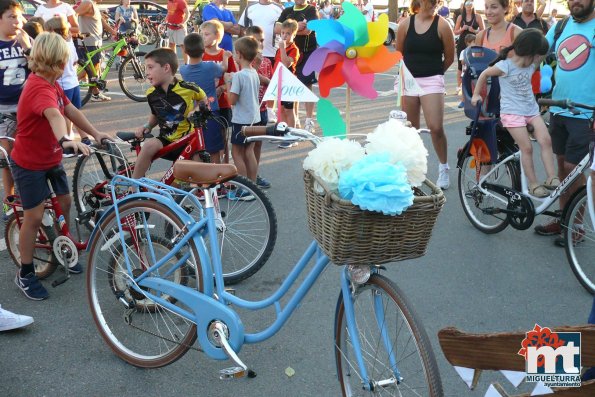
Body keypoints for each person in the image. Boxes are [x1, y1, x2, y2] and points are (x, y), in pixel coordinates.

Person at [12, 32, 111, 300]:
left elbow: (69, 110)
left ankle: (61, 248)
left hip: (51, 158)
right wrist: (65, 139)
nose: (67, 67)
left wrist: (96, 132)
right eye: (63, 62)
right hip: (30, 163)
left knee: (65, 203)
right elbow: (54, 115)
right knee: (32, 217)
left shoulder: (51, 82)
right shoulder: (38, 88)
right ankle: (26, 273)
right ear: (53, 62)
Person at [534, 0, 595, 245]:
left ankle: (576, 224)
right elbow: (539, 50)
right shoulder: (561, 26)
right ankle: (563, 218)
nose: (574, 1)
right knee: (560, 167)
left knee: (573, 168)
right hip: (558, 109)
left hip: (586, 113)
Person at [471, 28, 558, 198]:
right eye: (540, 55)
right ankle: (533, 185)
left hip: (531, 110)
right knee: (526, 148)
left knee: (546, 140)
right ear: (530, 53)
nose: (541, 59)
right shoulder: (506, 66)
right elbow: (484, 74)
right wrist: (476, 94)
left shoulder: (531, 65)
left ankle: (551, 177)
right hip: (512, 114)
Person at [395, 0, 455, 189]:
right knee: (411, 130)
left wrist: (435, 73)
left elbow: (450, 57)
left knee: (436, 127)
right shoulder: (405, 24)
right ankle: (413, 170)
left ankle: (444, 168)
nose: (433, 4)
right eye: (430, 1)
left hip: (432, 80)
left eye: (436, 2)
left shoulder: (443, 25)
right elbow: (398, 54)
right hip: (409, 81)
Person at [132, 48, 207, 180]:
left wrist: (195, 111)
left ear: (166, 68)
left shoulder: (188, 88)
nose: (146, 73)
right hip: (166, 140)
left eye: (150, 67)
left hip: (187, 141)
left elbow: (204, 99)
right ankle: (134, 187)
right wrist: (147, 126)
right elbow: (155, 114)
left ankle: (181, 193)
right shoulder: (151, 93)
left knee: (196, 165)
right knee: (149, 145)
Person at [0, 0, 31, 221]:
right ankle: (8, 200)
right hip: (3, 108)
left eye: (19, 16)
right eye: (11, 16)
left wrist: (27, 46)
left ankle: (23, 197)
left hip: (26, 108)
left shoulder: (26, 41)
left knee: (24, 155)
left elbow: (40, 67)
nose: (17, 21)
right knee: (6, 157)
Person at [180, 33, 229, 163]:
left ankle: (199, 179)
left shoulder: (183, 70)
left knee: (196, 148)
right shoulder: (210, 66)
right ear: (203, 50)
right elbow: (224, 69)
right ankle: (216, 177)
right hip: (211, 110)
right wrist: (225, 57)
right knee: (213, 150)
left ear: (184, 50)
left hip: (193, 113)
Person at [44, 16, 91, 147]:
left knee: (64, 115)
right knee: (75, 112)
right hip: (74, 82)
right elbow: (76, 60)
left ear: (53, 31)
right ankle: (85, 137)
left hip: (64, 84)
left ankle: (66, 139)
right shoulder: (70, 42)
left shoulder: (57, 46)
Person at [275, 0, 318, 133]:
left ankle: (309, 120)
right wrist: (296, 28)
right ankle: (295, 119)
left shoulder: (311, 10)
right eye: (285, 32)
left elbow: (307, 30)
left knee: (306, 85)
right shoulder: (287, 11)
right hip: (289, 52)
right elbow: (277, 29)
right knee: (293, 85)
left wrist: (289, 31)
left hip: (306, 52)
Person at [238, 0, 284, 122]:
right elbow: (242, 29)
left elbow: (284, 28)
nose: (260, 42)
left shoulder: (279, 8)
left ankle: (269, 109)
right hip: (250, 54)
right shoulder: (250, 8)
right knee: (255, 81)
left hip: (272, 52)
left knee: (271, 80)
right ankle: (253, 107)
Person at [226, 36, 261, 188]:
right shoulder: (254, 73)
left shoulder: (239, 76)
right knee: (249, 151)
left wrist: (228, 82)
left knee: (237, 152)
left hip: (241, 120)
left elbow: (232, 100)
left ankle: (244, 187)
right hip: (254, 117)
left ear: (239, 54)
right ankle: (253, 185)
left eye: (235, 53)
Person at [201, 19, 236, 164]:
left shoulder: (225, 55)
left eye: (206, 34)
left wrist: (222, 88)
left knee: (223, 137)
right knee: (207, 137)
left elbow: (234, 75)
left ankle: (226, 166)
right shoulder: (200, 55)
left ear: (217, 37)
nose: (203, 37)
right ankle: (209, 167)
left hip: (222, 103)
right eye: (201, 34)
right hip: (205, 103)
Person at [245, 25, 273, 188]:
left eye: (262, 40)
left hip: (262, 109)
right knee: (247, 146)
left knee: (258, 144)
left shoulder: (267, 61)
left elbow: (270, 85)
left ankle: (255, 174)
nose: (260, 43)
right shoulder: (242, 62)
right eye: (256, 40)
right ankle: (248, 178)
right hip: (249, 111)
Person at [77, 0, 112, 102]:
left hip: (95, 43)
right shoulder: (88, 3)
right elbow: (74, 13)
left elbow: (102, 22)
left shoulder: (94, 5)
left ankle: (95, 94)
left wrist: (113, 32)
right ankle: (70, 84)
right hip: (88, 43)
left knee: (93, 70)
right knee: (87, 69)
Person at [273, 19, 300, 137]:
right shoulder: (279, 49)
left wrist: (283, 49)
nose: (284, 36)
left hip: (289, 83)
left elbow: (286, 63)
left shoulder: (294, 49)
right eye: (282, 33)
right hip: (279, 82)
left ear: (294, 35)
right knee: (281, 109)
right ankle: (284, 131)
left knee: (289, 110)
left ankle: (292, 134)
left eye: (288, 34)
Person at [453, 0, 484, 96]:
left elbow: (483, 31)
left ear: (473, 5)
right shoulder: (460, 17)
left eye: (470, 3)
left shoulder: (478, 17)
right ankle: (459, 87)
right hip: (462, 43)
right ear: (464, 5)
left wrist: (473, 30)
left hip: (474, 44)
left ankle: (474, 87)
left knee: (474, 65)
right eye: (467, 3)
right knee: (460, 65)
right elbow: (455, 31)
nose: (468, 5)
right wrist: (462, 29)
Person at [165, 0, 189, 64]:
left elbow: (187, 13)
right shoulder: (169, 1)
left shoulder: (181, 2)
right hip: (170, 27)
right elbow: (169, 12)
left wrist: (183, 23)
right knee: (171, 45)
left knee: (183, 46)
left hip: (179, 28)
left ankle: (187, 64)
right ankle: (174, 63)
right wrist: (166, 20)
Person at [457, 33, 476, 108]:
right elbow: (462, 62)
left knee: (473, 87)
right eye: (474, 42)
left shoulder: (476, 51)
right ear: (468, 43)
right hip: (465, 73)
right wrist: (469, 57)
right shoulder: (464, 52)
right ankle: (463, 101)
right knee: (464, 88)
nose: (475, 44)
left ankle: (473, 101)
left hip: (474, 73)